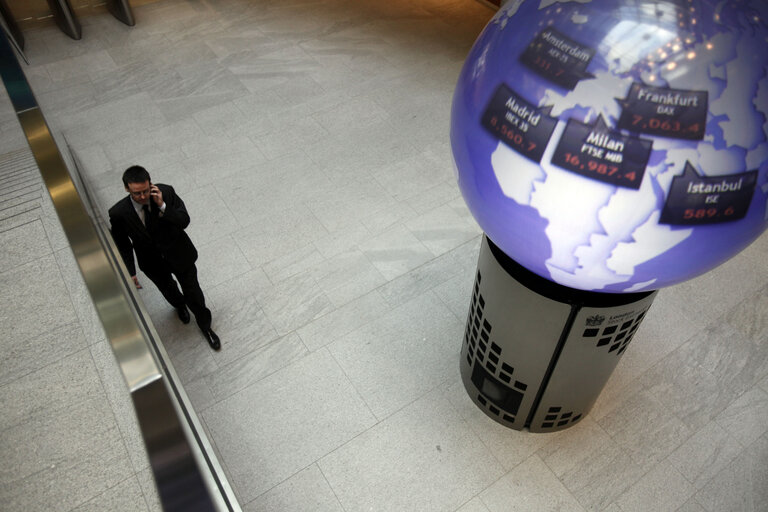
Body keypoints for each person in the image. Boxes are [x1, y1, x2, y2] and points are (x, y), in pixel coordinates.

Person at [109, 165, 220, 350]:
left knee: (193, 292)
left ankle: (205, 325)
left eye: (145, 191)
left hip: (179, 254)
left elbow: (184, 221)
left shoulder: (166, 193)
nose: (143, 197)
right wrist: (130, 272)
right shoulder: (118, 213)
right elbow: (122, 243)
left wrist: (162, 206)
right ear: (127, 189)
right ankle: (179, 305)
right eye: (137, 193)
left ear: (150, 184)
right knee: (168, 289)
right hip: (151, 261)